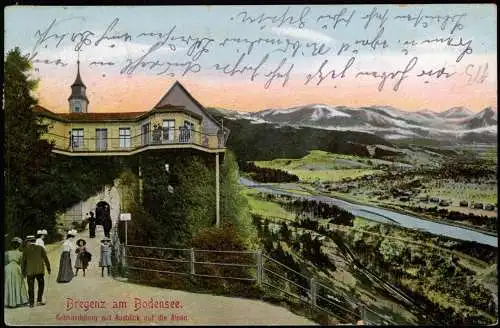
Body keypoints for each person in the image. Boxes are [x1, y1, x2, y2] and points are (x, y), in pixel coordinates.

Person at [21, 235, 51, 307]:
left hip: (30, 271)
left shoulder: (25, 250)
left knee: (30, 287)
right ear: (34, 241)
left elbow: (23, 262)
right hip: (39, 271)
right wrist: (48, 268)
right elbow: (46, 259)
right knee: (41, 285)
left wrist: (23, 272)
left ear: (28, 242)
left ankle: (31, 303)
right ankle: (39, 301)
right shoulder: (40, 248)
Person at [5, 237, 28, 308]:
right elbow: (22, 263)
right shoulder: (20, 253)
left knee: (9, 283)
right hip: (16, 268)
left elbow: (5, 262)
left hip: (8, 268)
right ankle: (18, 300)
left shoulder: (7, 253)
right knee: (18, 283)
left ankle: (10, 301)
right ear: (18, 245)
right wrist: (24, 272)